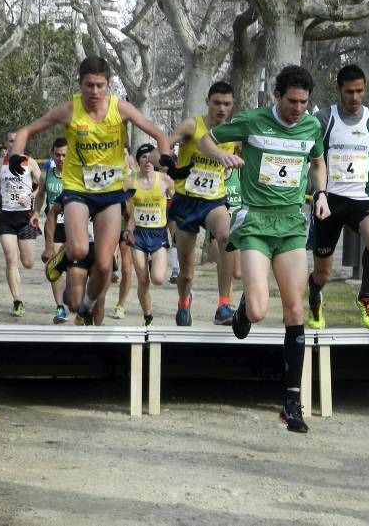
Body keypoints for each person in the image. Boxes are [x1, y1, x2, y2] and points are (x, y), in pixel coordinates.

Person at [198, 65, 330, 434]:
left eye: (304, 102)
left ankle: (292, 403)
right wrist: (222, 155)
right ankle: (243, 307)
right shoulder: (253, 121)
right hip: (256, 222)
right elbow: (206, 139)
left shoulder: (312, 127)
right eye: (291, 101)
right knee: (258, 311)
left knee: (293, 308)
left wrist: (320, 193)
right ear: (277, 96)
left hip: (290, 224)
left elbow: (318, 164)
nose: (298, 109)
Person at [9, 56, 170, 325]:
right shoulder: (69, 110)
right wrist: (16, 157)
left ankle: (87, 306)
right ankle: (66, 255)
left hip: (110, 194)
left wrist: (166, 158)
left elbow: (160, 135)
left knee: (105, 265)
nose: (94, 92)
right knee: (80, 250)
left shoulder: (122, 109)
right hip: (78, 190)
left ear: (108, 85)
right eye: (89, 85)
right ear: (80, 84)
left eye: (100, 86)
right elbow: (27, 131)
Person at [306, 64, 369, 329]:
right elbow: (311, 157)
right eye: (349, 92)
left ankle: (365, 296)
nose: (355, 97)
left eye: (359, 91)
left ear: (365, 89)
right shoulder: (324, 119)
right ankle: (314, 296)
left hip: (361, 199)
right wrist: (310, 189)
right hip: (329, 201)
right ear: (339, 90)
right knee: (323, 273)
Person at [164, 81, 239, 326]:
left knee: (226, 236)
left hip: (214, 201)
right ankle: (184, 302)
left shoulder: (233, 132)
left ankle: (224, 305)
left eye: (227, 104)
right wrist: (165, 160)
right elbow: (165, 145)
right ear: (207, 102)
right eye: (217, 103)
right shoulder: (192, 125)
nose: (221, 108)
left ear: (232, 105)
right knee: (186, 271)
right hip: (186, 201)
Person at [0, 132, 42, 316]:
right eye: (11, 141)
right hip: (6, 217)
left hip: (25, 216)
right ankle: (17, 301)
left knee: (28, 262)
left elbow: (42, 185)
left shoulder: (30, 162)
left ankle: (18, 298)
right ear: (6, 143)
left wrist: (31, 196)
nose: (15, 144)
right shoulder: (0, 163)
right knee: (11, 258)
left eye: (18, 141)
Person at [123, 144, 174, 327]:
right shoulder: (130, 181)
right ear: (138, 161)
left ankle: (154, 265)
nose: (147, 160)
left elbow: (177, 204)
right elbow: (129, 214)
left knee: (158, 279)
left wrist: (175, 229)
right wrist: (127, 230)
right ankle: (148, 317)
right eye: (143, 157)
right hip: (139, 235)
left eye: (150, 157)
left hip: (158, 234)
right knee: (143, 279)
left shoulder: (165, 180)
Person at [33, 138, 69, 323]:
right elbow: (40, 196)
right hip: (53, 226)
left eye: (64, 154)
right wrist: (35, 213)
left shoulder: (77, 176)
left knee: (75, 267)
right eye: (58, 154)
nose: (61, 158)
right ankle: (60, 307)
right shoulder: (46, 174)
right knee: (53, 266)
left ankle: (75, 299)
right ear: (52, 154)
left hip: (73, 227)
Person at [110, 147, 138, 319]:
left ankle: (120, 305)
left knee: (127, 269)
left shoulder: (137, 178)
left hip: (128, 226)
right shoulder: (110, 175)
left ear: (129, 157)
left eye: (124, 154)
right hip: (110, 226)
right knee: (106, 265)